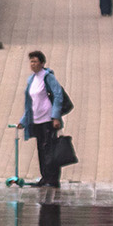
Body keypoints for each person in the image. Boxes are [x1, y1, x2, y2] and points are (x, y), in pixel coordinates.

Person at [21, 49, 69, 188]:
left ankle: (52, 179)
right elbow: (30, 103)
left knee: (50, 150)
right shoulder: (32, 79)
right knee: (41, 149)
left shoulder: (47, 77)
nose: (33, 64)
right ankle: (44, 177)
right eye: (31, 61)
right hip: (36, 120)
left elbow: (58, 95)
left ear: (42, 63)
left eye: (35, 61)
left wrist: (55, 117)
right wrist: (23, 121)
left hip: (48, 120)